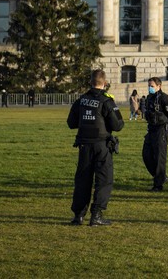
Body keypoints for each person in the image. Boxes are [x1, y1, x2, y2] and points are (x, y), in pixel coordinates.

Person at [67, 69, 124, 226]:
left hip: (84, 146)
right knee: (104, 180)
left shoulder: (81, 100)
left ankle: (78, 215)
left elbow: (71, 123)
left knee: (82, 180)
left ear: (90, 82)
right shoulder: (106, 101)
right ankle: (96, 215)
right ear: (104, 83)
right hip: (101, 146)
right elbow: (118, 125)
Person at [142, 76, 168, 191]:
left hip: (161, 129)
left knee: (159, 157)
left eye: (152, 86)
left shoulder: (164, 98)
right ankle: (161, 176)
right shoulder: (149, 98)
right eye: (149, 86)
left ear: (159, 86)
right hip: (151, 129)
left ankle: (158, 185)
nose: (150, 88)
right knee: (146, 155)